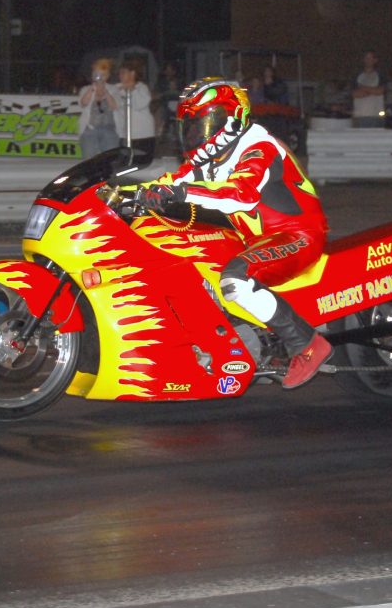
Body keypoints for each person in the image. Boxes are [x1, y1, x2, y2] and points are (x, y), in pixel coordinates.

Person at [135, 78, 332, 389]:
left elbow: (240, 194)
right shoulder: (210, 159)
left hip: (297, 236)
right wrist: (123, 194)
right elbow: (170, 180)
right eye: (190, 126)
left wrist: (181, 192)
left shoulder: (259, 147)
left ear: (231, 119)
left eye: (202, 123)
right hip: (254, 240)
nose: (194, 134)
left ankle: (306, 344)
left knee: (235, 278)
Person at [78, 58, 120, 159]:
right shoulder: (85, 89)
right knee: (89, 159)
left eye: (103, 75)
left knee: (110, 160)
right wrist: (92, 89)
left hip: (110, 130)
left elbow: (115, 106)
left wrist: (105, 91)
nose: (99, 77)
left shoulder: (113, 89)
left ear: (108, 76)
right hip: (90, 129)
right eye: (97, 74)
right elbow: (83, 103)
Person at [115, 60, 156, 162]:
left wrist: (131, 88)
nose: (120, 76)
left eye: (123, 72)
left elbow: (139, 104)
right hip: (124, 135)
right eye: (119, 73)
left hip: (143, 135)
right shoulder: (117, 89)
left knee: (142, 164)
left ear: (132, 73)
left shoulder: (141, 88)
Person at [351, 50, 384, 127]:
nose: (368, 60)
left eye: (370, 58)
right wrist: (372, 90)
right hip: (359, 114)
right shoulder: (356, 75)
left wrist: (363, 88)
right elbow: (355, 94)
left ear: (375, 60)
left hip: (376, 114)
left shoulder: (380, 75)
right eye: (366, 58)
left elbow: (380, 91)